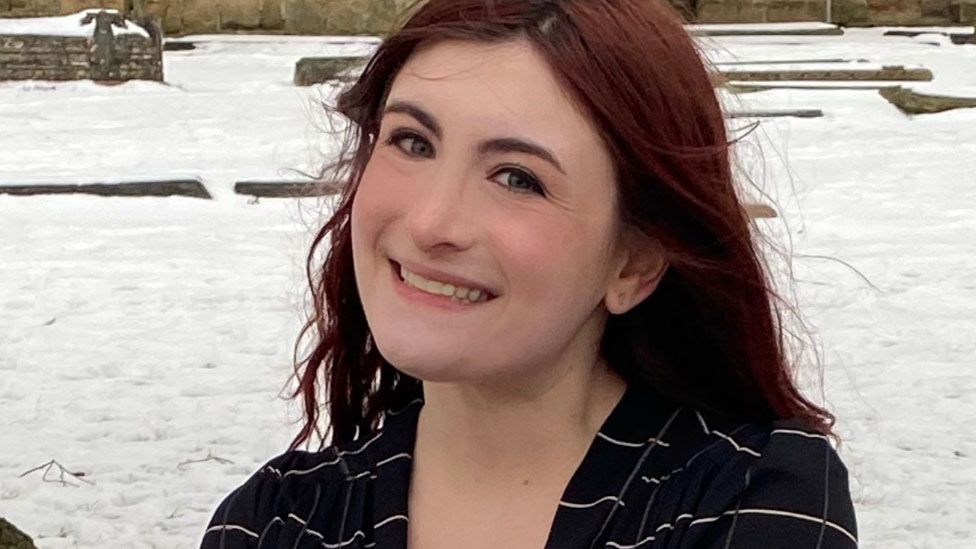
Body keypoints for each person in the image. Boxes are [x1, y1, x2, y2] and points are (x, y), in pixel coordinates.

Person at [201, 0, 858, 547]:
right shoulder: (272, 524)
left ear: (634, 261)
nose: (433, 222)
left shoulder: (747, 502)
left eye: (518, 178)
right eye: (412, 142)